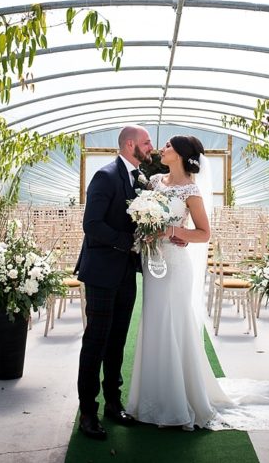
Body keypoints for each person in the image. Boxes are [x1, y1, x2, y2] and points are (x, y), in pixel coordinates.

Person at [126, 134, 269, 431]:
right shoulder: (155, 182)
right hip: (154, 263)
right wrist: (147, 228)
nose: (163, 149)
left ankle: (177, 401)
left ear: (182, 155)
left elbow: (203, 233)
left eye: (169, 146)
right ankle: (151, 398)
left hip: (176, 267)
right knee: (154, 323)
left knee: (174, 324)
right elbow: (145, 218)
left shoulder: (191, 191)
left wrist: (171, 233)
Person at [74, 124, 152, 440]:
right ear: (130, 144)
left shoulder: (140, 178)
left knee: (117, 341)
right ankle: (88, 413)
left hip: (124, 274)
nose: (151, 147)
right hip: (102, 273)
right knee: (96, 342)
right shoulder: (105, 176)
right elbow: (91, 225)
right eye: (146, 142)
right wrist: (128, 241)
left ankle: (113, 403)